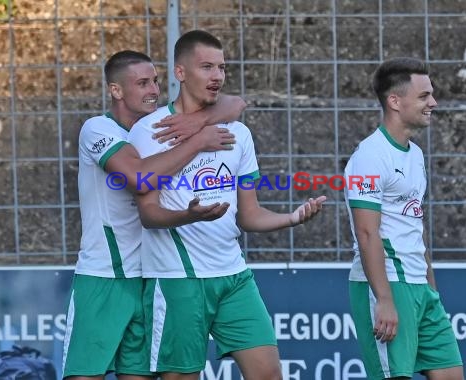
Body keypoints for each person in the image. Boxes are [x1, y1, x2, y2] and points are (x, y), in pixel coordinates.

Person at [127, 30, 326, 380]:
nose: (217, 76)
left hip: (234, 278)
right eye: (206, 67)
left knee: (268, 374)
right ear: (180, 72)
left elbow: (249, 215)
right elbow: (148, 214)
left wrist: (291, 218)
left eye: (222, 67)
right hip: (178, 280)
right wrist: (187, 215)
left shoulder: (239, 133)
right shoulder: (149, 131)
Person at [62, 50, 247, 380]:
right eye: (142, 83)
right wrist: (198, 140)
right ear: (116, 90)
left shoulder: (159, 127)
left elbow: (236, 103)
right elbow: (139, 178)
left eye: (156, 82)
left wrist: (199, 120)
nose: (153, 90)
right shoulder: (98, 129)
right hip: (104, 276)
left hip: (151, 279)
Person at [344, 57, 464, 380]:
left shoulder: (416, 154)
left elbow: (414, 225)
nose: (433, 103)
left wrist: (431, 289)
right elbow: (367, 233)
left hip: (421, 289)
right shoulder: (369, 156)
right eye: (424, 95)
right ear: (395, 101)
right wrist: (384, 299)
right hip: (388, 287)